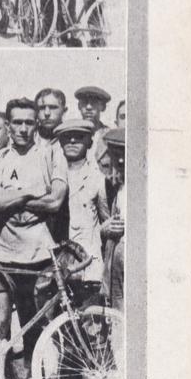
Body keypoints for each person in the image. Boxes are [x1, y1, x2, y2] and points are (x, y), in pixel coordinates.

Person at [0, 98, 68, 379]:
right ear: (8, 124)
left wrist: (10, 196)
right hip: (2, 253)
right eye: (17, 122)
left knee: (39, 323)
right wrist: (28, 193)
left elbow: (55, 201)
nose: (24, 129)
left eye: (30, 122)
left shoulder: (52, 155)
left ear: (36, 124)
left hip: (40, 254)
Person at [54, 119, 109, 287]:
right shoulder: (52, 176)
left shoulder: (98, 178)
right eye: (67, 137)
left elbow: (105, 220)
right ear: (60, 142)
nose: (72, 141)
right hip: (56, 262)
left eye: (79, 137)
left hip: (87, 263)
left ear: (90, 142)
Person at [100, 127, 125, 310]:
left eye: (125, 154)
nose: (121, 160)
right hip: (115, 256)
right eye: (116, 155)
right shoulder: (114, 186)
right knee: (117, 310)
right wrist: (105, 228)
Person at [74, 85, 112, 160]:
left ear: (103, 107)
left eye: (94, 103)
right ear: (79, 106)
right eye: (84, 102)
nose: (88, 107)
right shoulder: (72, 134)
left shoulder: (110, 136)